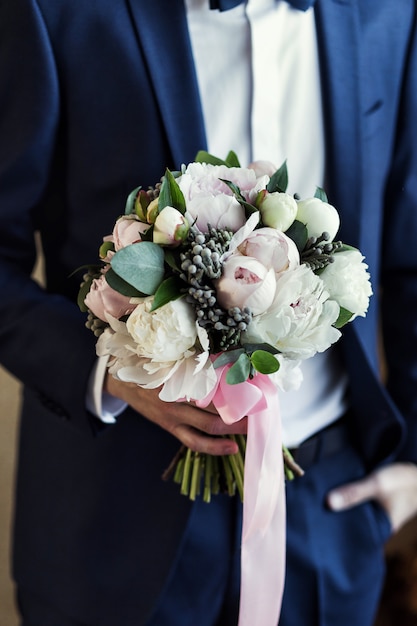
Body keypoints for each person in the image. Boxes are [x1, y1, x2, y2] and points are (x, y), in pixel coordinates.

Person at [0, 0, 417, 625]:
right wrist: (110, 376)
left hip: (328, 513)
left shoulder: (391, 10)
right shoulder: (54, 12)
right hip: (111, 520)